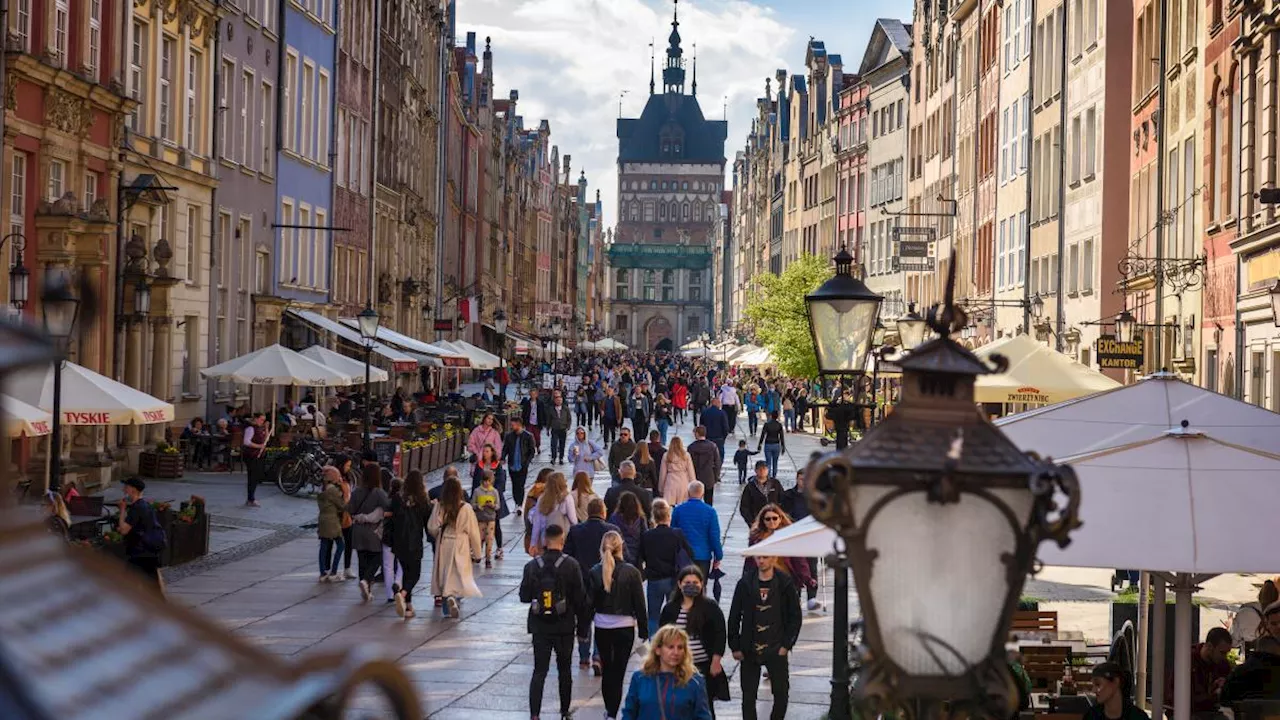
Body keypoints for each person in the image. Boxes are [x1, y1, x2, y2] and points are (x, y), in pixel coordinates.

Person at [519, 523, 589, 720]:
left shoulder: (532, 566)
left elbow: (524, 596)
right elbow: (581, 600)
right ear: (562, 540)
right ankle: (565, 711)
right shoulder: (571, 565)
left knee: (539, 671)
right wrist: (583, 629)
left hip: (539, 626)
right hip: (564, 626)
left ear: (544, 541)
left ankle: (534, 714)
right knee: (564, 670)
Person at [728, 555, 802, 720]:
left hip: (776, 646)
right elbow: (734, 615)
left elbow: (795, 616)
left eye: (765, 557)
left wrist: (786, 645)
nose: (761, 561)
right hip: (749, 647)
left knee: (781, 694)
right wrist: (735, 645)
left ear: (774, 558)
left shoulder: (785, 583)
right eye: (759, 557)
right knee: (748, 697)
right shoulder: (745, 583)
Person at [588, 531, 649, 720]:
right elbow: (639, 603)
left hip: (602, 626)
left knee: (607, 669)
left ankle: (610, 710)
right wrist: (644, 630)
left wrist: (582, 628)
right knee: (619, 671)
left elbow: (589, 603)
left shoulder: (595, 571)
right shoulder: (632, 572)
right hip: (625, 626)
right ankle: (613, 712)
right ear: (621, 546)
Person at [660, 566, 729, 717]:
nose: (691, 585)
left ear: (702, 584)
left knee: (704, 706)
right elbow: (661, 637)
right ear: (679, 584)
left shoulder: (710, 608)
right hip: (676, 667)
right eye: (687, 582)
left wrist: (716, 660)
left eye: (695, 582)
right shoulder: (670, 609)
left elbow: (720, 634)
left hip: (703, 667)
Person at [565, 497, 620, 672]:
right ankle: (598, 655)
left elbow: (568, 555)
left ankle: (583, 657)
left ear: (588, 512)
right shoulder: (612, 530)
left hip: (581, 581)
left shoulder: (575, 531)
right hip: (604, 579)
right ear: (604, 512)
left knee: (584, 620)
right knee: (602, 618)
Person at [620, 625, 714, 720]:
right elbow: (629, 713)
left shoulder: (694, 682)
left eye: (680, 647)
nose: (676, 652)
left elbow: (703, 716)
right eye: (670, 647)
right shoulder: (640, 678)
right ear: (658, 650)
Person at [427, 474, 483, 619]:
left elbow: (432, 527)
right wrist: (477, 554)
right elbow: (474, 533)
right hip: (461, 542)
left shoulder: (440, 506)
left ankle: (447, 604)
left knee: (445, 574)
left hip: (444, 541)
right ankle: (455, 598)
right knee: (459, 574)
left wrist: (438, 533)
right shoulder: (466, 508)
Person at [639, 499, 694, 637]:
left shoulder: (647, 535)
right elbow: (690, 553)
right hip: (673, 578)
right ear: (668, 516)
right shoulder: (677, 534)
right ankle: (672, 640)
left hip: (655, 578)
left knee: (653, 616)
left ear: (654, 517)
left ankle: (653, 645)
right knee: (674, 614)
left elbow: (641, 556)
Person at [1165, 627, 1234, 719]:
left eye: (1226, 653)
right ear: (1209, 646)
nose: (1224, 657)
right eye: (1222, 652)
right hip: (1184, 711)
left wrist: (1225, 687)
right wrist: (1215, 694)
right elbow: (1183, 699)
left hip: (1208, 711)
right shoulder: (1187, 661)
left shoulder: (1223, 665)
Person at [389, 470, 431, 618]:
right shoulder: (423, 499)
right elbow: (428, 523)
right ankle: (403, 593)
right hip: (414, 541)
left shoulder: (397, 498)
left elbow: (390, 518)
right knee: (415, 574)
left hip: (399, 540)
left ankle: (408, 606)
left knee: (406, 571)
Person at [346, 464, 390, 602]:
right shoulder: (379, 492)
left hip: (358, 529)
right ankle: (366, 581)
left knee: (362, 558)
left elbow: (349, 509)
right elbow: (388, 508)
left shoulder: (357, 492)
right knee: (377, 556)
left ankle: (366, 588)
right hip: (373, 529)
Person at [116, 477, 166, 591]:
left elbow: (124, 530)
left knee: (130, 585)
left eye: (126, 487)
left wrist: (122, 510)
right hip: (147, 550)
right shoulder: (144, 505)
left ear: (133, 489)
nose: (124, 490)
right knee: (152, 586)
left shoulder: (137, 508)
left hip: (141, 551)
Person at [672, 482, 723, 579]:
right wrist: (718, 555)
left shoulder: (678, 510)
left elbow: (673, 533)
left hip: (683, 555)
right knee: (700, 586)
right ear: (702, 494)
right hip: (703, 555)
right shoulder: (710, 512)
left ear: (688, 493)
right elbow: (714, 536)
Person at [1220, 634, 1280, 706]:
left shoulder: (1239, 672)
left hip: (1245, 716)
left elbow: (1224, 700)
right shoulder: (1276, 673)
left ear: (1257, 650)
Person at [471, 444, 508, 558]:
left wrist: (493, 493)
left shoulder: (497, 466)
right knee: (479, 526)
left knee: (496, 525)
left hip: (493, 499)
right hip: (480, 499)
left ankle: (499, 548)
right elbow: (476, 482)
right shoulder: (480, 465)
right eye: (484, 451)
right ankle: (478, 550)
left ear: (492, 452)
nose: (485, 453)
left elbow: (501, 482)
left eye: (487, 451)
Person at [529, 471, 579, 554]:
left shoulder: (542, 498)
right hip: (562, 537)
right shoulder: (566, 498)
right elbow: (573, 520)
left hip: (546, 538)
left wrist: (533, 543)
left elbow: (537, 522)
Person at [1084, 661, 1151, 720]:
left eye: (1098, 684)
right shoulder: (1092, 716)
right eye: (1093, 685)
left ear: (1116, 682)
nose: (1093, 690)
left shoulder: (1138, 717)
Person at [316, 466, 346, 582]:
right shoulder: (333, 491)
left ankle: (322, 572)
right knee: (341, 545)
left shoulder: (322, 489)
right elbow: (342, 505)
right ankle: (334, 571)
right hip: (333, 521)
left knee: (323, 546)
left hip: (323, 520)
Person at [1232, 579, 1279, 650]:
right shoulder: (1277, 614)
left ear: (1259, 595)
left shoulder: (1244, 611)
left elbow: (1234, 642)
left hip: (1251, 656)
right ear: (1276, 597)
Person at [501, 417, 537, 510]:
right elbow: (505, 448)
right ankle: (516, 503)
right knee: (514, 484)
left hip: (522, 464)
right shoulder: (509, 436)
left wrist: (527, 462)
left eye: (513, 425)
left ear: (519, 425)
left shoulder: (528, 436)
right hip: (512, 464)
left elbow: (532, 451)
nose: (511, 427)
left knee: (521, 485)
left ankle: (520, 504)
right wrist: (503, 457)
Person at [608, 490, 648, 567]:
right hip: (637, 556)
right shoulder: (640, 519)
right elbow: (645, 537)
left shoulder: (614, 518)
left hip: (620, 555)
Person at [740, 461, 784, 527]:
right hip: (757, 522)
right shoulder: (750, 486)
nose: (762, 471)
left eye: (764, 469)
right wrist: (751, 521)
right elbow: (744, 507)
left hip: (774, 520)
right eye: (760, 469)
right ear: (756, 471)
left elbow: (783, 500)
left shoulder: (775, 483)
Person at [471, 469, 501, 568]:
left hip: (491, 519)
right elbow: (472, 504)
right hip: (480, 518)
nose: (486, 483)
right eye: (484, 481)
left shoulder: (494, 492)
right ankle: (478, 555)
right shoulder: (477, 491)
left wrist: (493, 505)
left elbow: (498, 506)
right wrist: (477, 506)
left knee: (490, 539)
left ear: (491, 481)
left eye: (488, 481)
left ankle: (488, 559)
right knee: (479, 539)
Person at [688, 426, 723, 504]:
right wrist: (716, 476)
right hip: (709, 477)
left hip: (695, 477)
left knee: (695, 501)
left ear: (697, 434)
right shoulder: (712, 446)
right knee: (709, 501)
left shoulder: (691, 447)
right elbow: (717, 463)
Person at [241, 412, 269, 507]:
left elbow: (265, 440)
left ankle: (251, 498)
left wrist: (266, 428)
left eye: (263, 420)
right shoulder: (250, 428)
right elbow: (246, 442)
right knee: (252, 477)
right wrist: (258, 446)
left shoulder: (259, 428)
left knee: (256, 476)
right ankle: (250, 499)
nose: (262, 422)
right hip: (251, 455)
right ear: (256, 419)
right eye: (261, 419)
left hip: (258, 454)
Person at [659, 436, 697, 506]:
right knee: (683, 504)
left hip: (670, 481)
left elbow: (662, 473)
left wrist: (661, 488)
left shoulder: (666, 455)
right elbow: (691, 472)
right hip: (683, 481)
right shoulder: (686, 455)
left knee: (669, 505)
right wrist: (693, 486)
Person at [757, 411, 785, 479]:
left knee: (768, 462)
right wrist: (783, 446)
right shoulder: (779, 425)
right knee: (775, 462)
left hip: (768, 444)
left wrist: (760, 444)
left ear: (771, 416)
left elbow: (763, 435)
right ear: (777, 416)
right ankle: (774, 476)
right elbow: (781, 436)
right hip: (776, 444)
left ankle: (768, 476)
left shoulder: (767, 424)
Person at [548, 390, 573, 464]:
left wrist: (568, 426)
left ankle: (561, 458)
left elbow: (569, 418)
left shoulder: (565, 408)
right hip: (554, 428)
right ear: (555, 401)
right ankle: (553, 457)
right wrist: (547, 428)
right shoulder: (551, 409)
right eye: (557, 400)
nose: (559, 401)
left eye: (560, 400)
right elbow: (549, 419)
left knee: (562, 444)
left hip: (563, 428)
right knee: (554, 444)